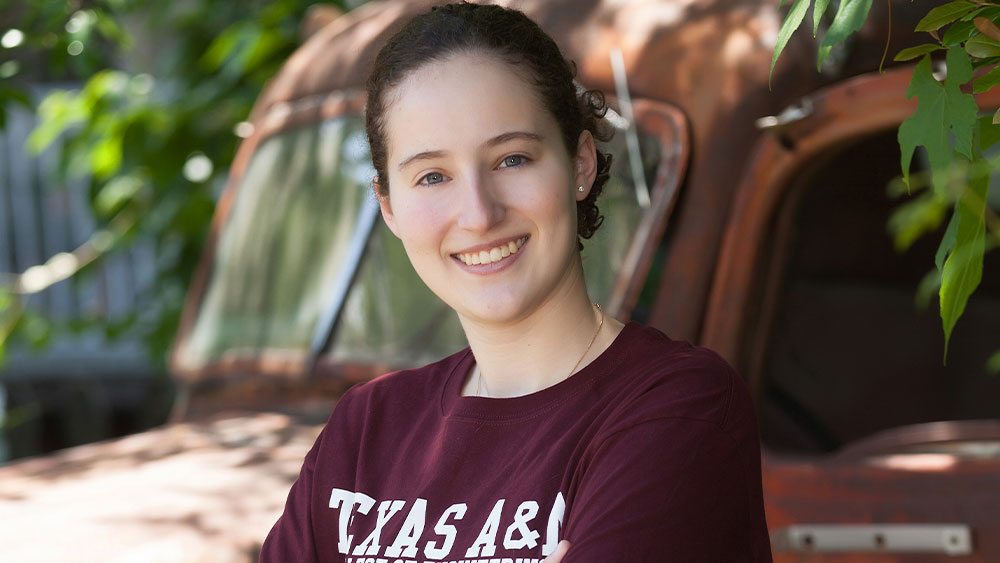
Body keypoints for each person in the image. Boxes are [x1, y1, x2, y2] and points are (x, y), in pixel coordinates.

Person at [261, 3, 772, 562]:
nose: (478, 214)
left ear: (579, 163)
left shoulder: (676, 408)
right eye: (432, 176)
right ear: (388, 206)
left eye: (512, 160)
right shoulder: (364, 430)